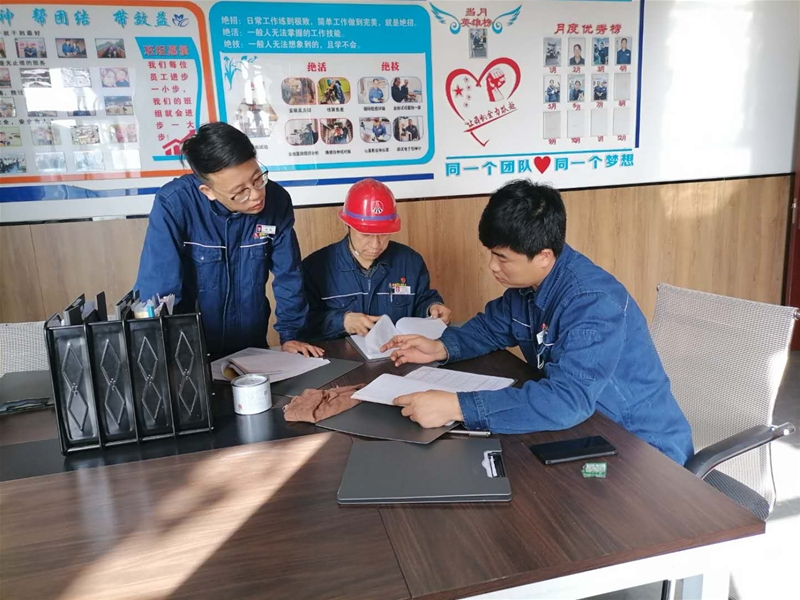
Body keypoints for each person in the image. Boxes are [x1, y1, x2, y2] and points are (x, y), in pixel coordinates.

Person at [381, 180, 694, 465]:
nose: (492, 266)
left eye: (502, 257)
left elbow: (568, 401)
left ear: (543, 256)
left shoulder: (592, 303)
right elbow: (491, 327)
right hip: (589, 431)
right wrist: (441, 347)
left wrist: (457, 407)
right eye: (491, 254)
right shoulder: (532, 286)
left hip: (644, 452)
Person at [135, 122, 322, 359]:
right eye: (240, 192)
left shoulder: (276, 201)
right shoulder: (175, 204)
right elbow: (160, 288)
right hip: (191, 348)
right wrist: (166, 353)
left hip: (251, 345)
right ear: (208, 191)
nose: (256, 195)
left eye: (258, 179)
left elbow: (289, 275)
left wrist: (291, 335)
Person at [302, 179, 452, 340]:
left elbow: (422, 300)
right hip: (339, 355)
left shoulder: (410, 262)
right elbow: (301, 322)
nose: (375, 245)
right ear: (346, 225)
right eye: (365, 234)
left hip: (397, 353)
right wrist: (341, 321)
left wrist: (432, 308)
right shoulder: (316, 268)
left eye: (383, 234)